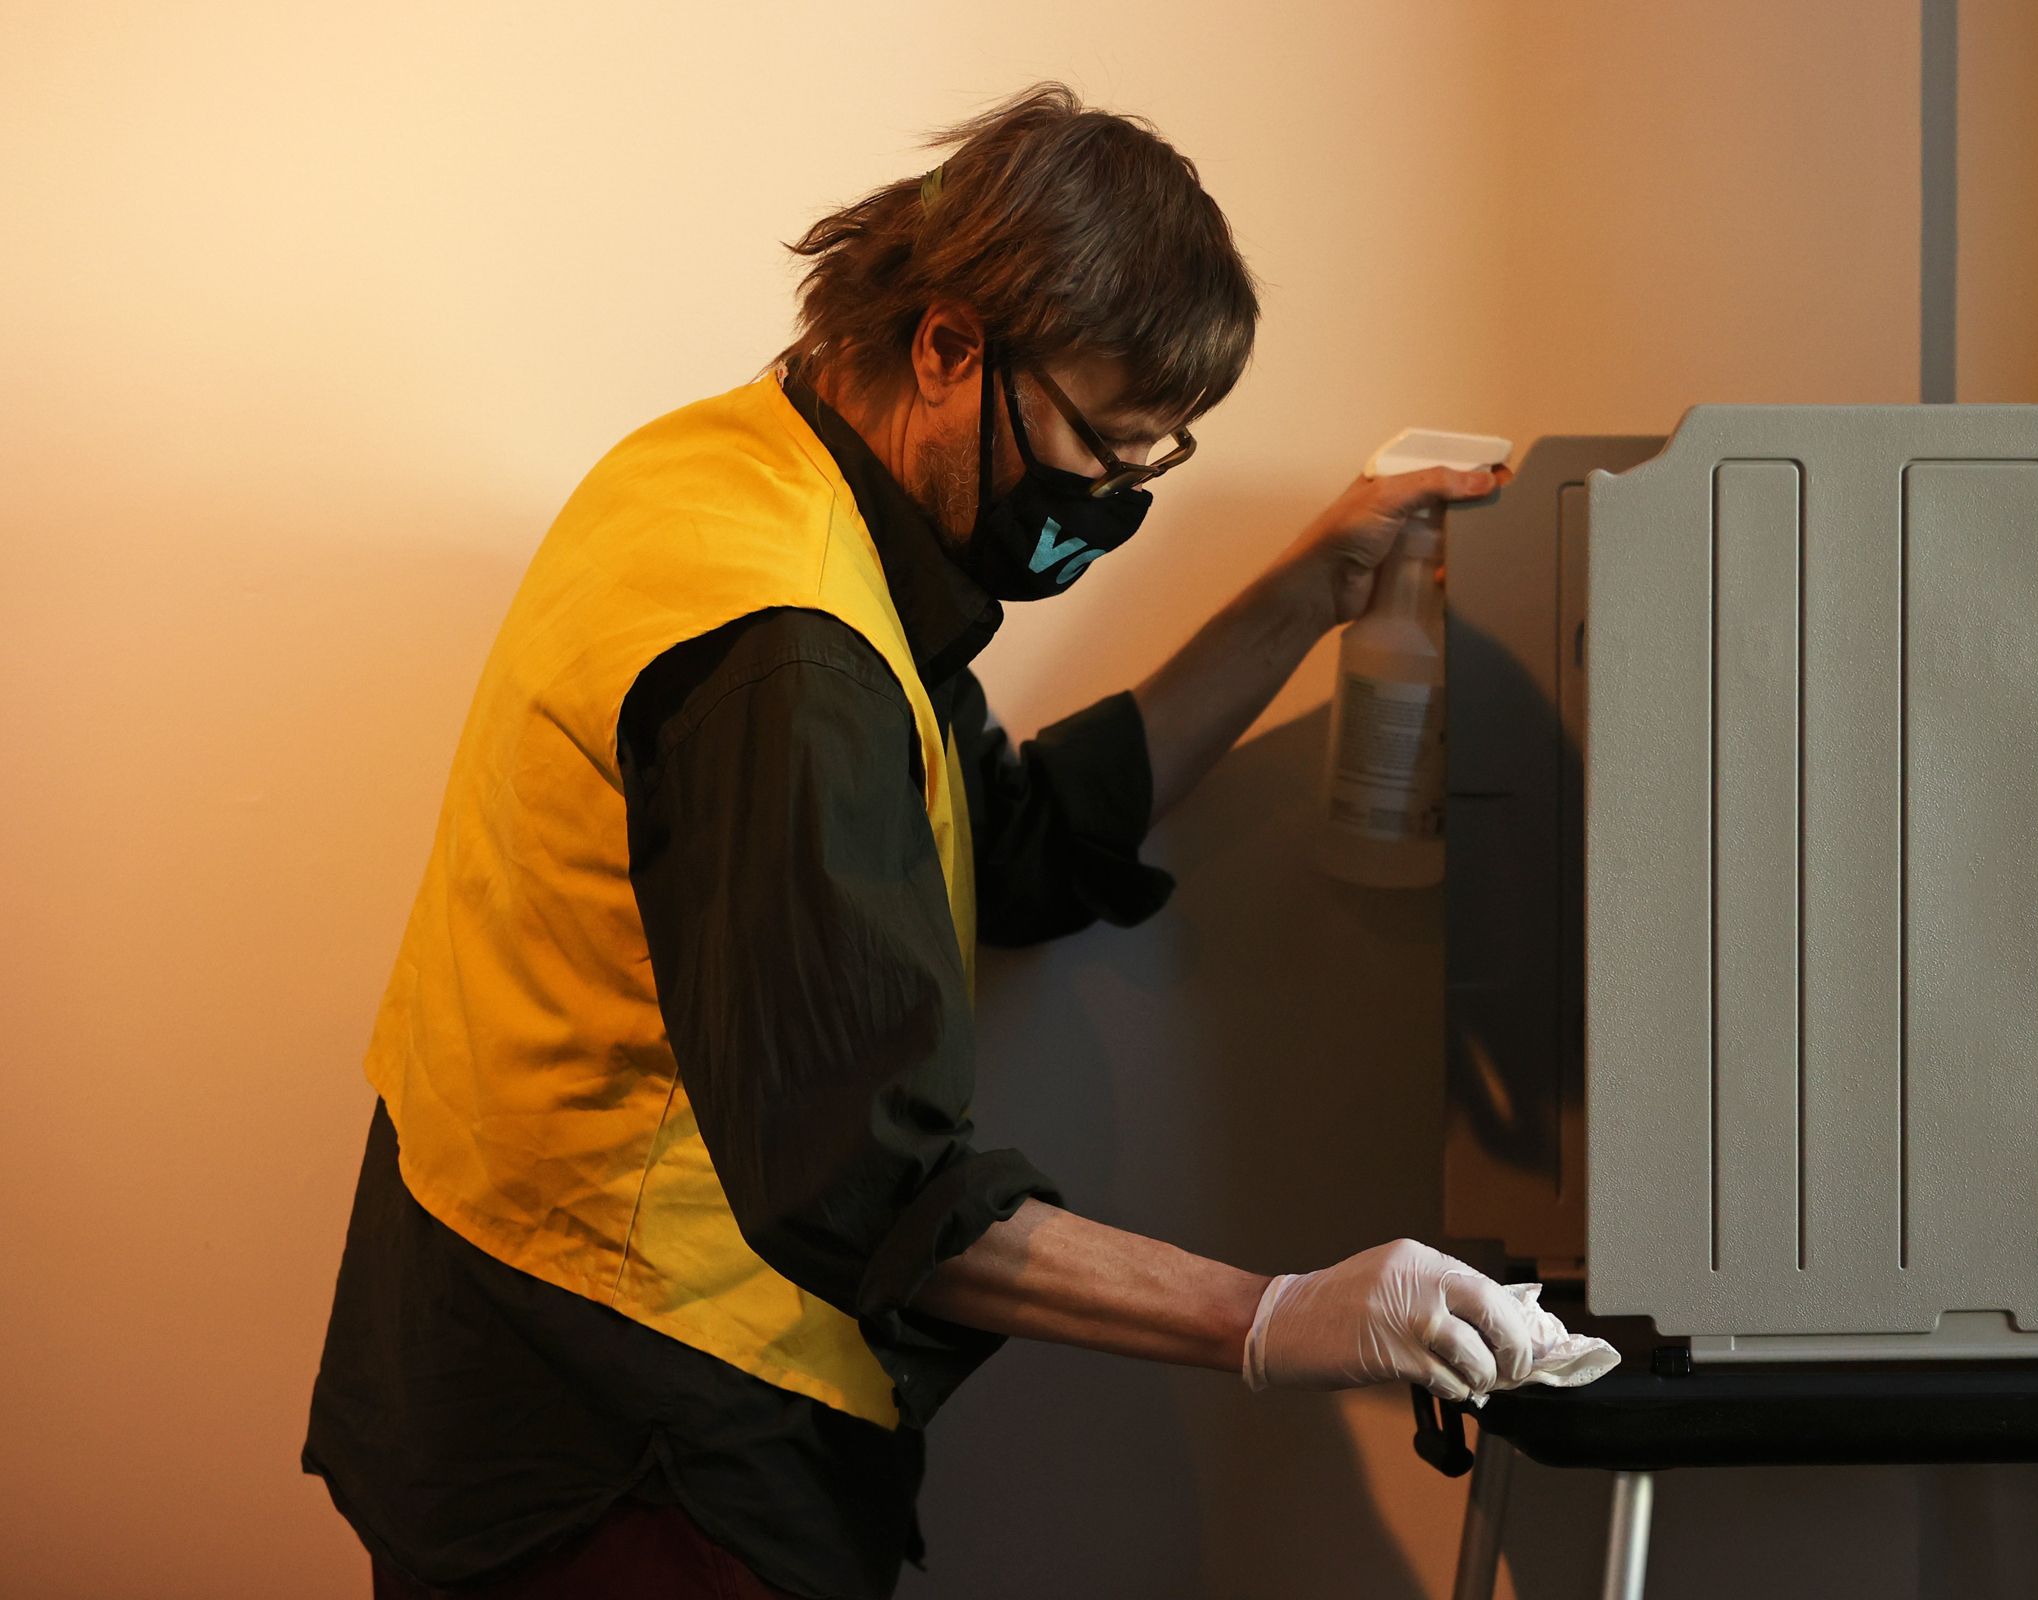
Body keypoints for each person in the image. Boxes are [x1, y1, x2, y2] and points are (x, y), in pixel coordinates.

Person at [305, 83, 1531, 1600]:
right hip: (624, 1435)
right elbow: (877, 1193)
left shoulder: (746, 468)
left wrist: (1301, 594)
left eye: (1157, 463)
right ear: (951, 344)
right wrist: (1278, 1317)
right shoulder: (788, 656)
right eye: (1103, 446)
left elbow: (997, 844)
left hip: (486, 1326)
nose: (1108, 503)